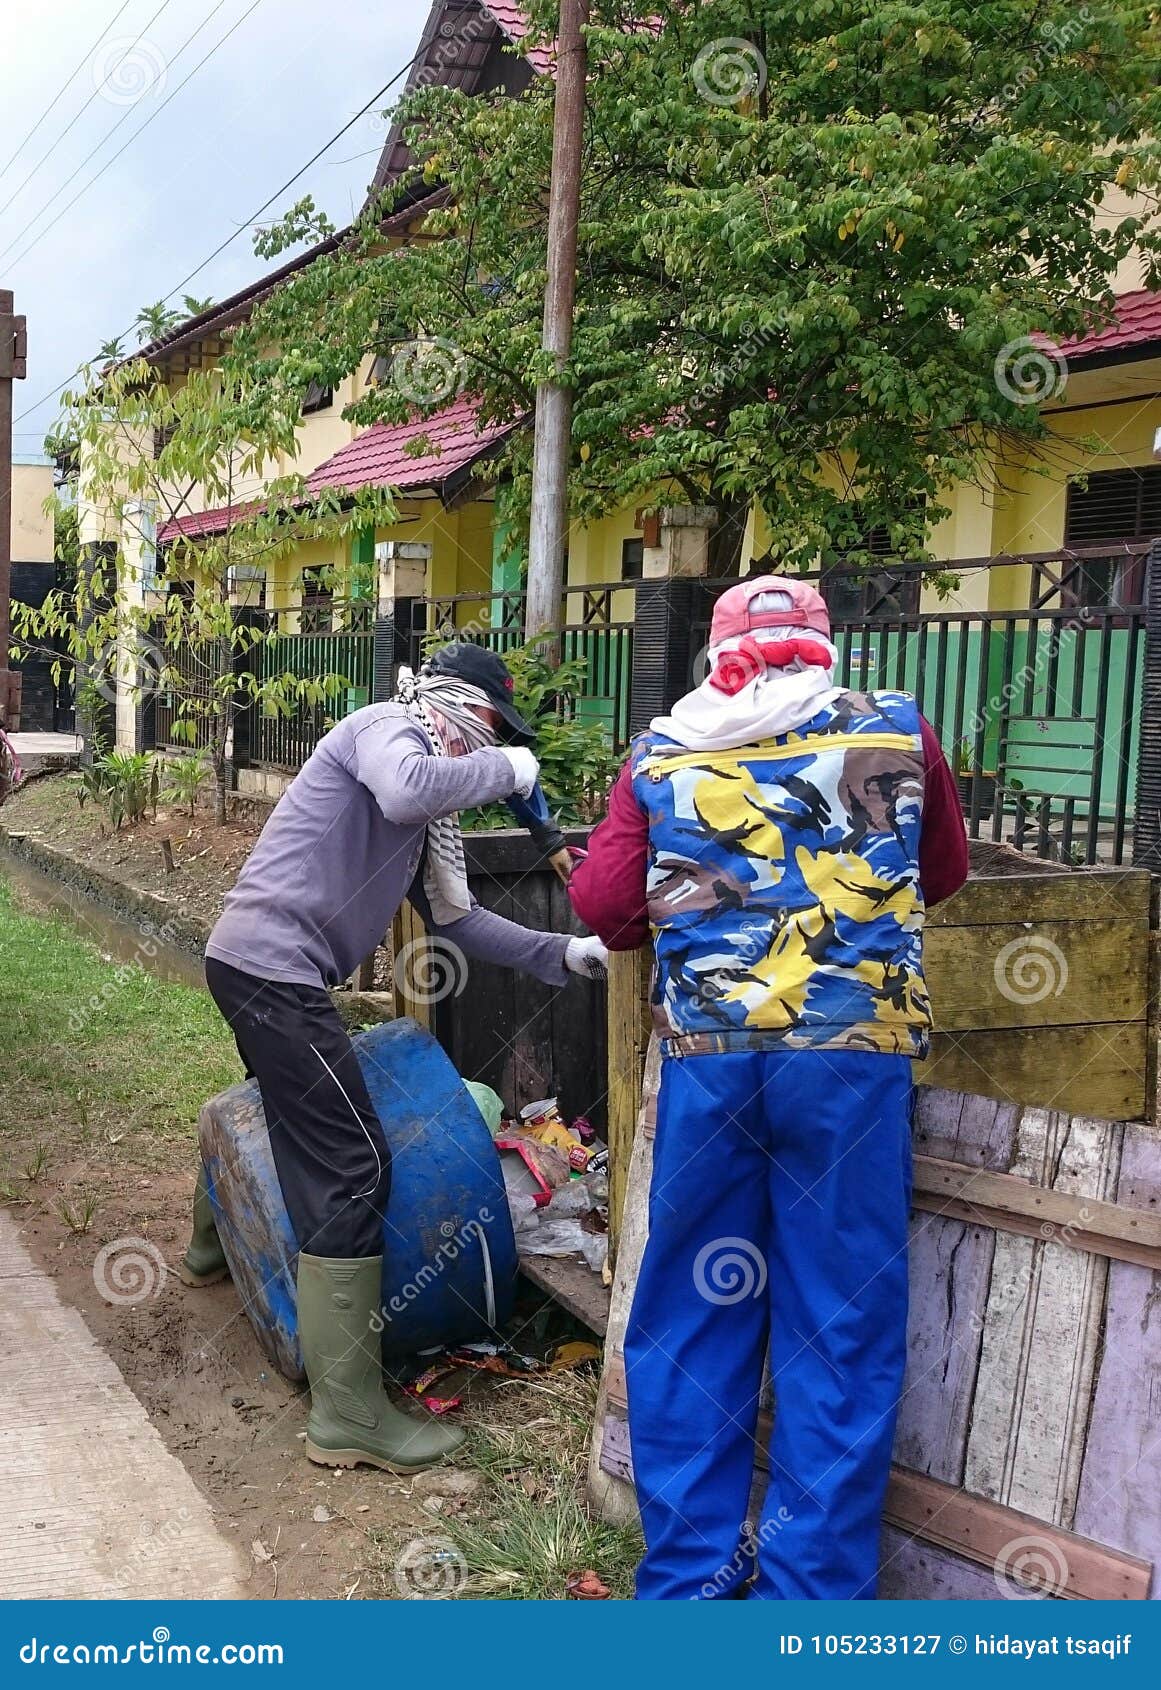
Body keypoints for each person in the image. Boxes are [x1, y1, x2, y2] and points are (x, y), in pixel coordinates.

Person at [568, 575, 968, 1600]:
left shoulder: (664, 750)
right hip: (850, 1065)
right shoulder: (898, 730)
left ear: (718, 651)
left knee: (695, 1315)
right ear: (823, 648)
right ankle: (810, 1601)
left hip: (712, 1068)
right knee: (839, 1325)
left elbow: (609, 907)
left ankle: (692, 1585)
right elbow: (946, 870)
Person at [180, 642, 607, 1474]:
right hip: (271, 967)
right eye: (488, 730)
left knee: (294, 1107)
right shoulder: (383, 731)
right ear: (453, 706)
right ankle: (346, 1416)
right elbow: (410, 783)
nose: (486, 750)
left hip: (267, 969)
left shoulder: (423, 818)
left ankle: (209, 1248)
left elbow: (458, 921)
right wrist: (509, 769)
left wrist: (565, 954)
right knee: (353, 1164)